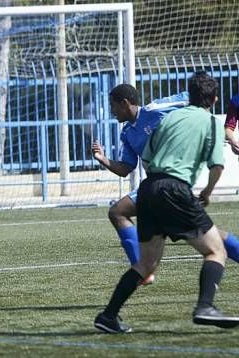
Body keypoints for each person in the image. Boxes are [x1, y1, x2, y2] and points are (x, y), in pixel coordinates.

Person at [94, 71, 239, 333]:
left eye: (114, 105)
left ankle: (108, 316)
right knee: (215, 249)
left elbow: (150, 154)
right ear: (215, 99)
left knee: (145, 264)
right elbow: (217, 166)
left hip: (150, 189)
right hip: (174, 189)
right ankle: (205, 306)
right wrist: (206, 192)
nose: (112, 111)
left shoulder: (166, 116)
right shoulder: (208, 121)